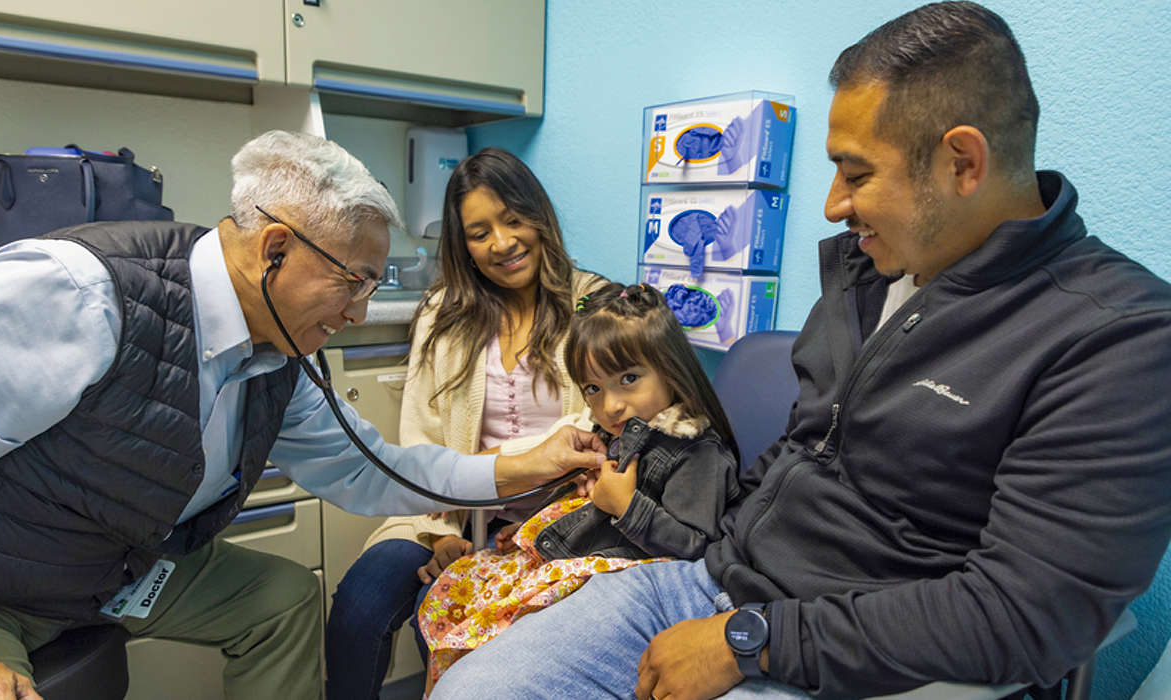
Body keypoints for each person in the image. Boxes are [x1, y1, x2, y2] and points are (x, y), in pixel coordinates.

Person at [429, 3, 1171, 699]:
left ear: (963, 163)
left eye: (857, 173)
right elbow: (796, 457)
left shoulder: (1118, 339)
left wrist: (749, 640)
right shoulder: (865, 274)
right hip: (710, 582)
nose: (833, 204)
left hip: (844, 651)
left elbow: (1028, 616)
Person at [0, 131, 605, 700]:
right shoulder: (78, 295)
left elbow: (372, 469)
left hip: (113, 567)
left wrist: (525, 466)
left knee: (282, 600)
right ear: (275, 249)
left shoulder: (276, 356)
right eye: (353, 283)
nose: (359, 314)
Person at [324, 147, 606, 700]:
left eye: (513, 219)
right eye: (479, 233)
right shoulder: (442, 312)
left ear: (539, 216)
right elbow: (421, 439)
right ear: (463, 245)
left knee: (454, 627)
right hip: (449, 511)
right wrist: (439, 534)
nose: (501, 243)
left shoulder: (593, 304)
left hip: (560, 523)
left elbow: (603, 425)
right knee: (359, 607)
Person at [418, 281, 743, 689]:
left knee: (489, 634)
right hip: (576, 557)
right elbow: (583, 504)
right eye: (593, 388)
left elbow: (696, 547)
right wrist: (532, 529)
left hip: (623, 585)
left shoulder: (696, 451)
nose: (609, 405)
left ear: (672, 370)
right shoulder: (617, 433)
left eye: (628, 378)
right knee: (455, 592)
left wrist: (627, 507)